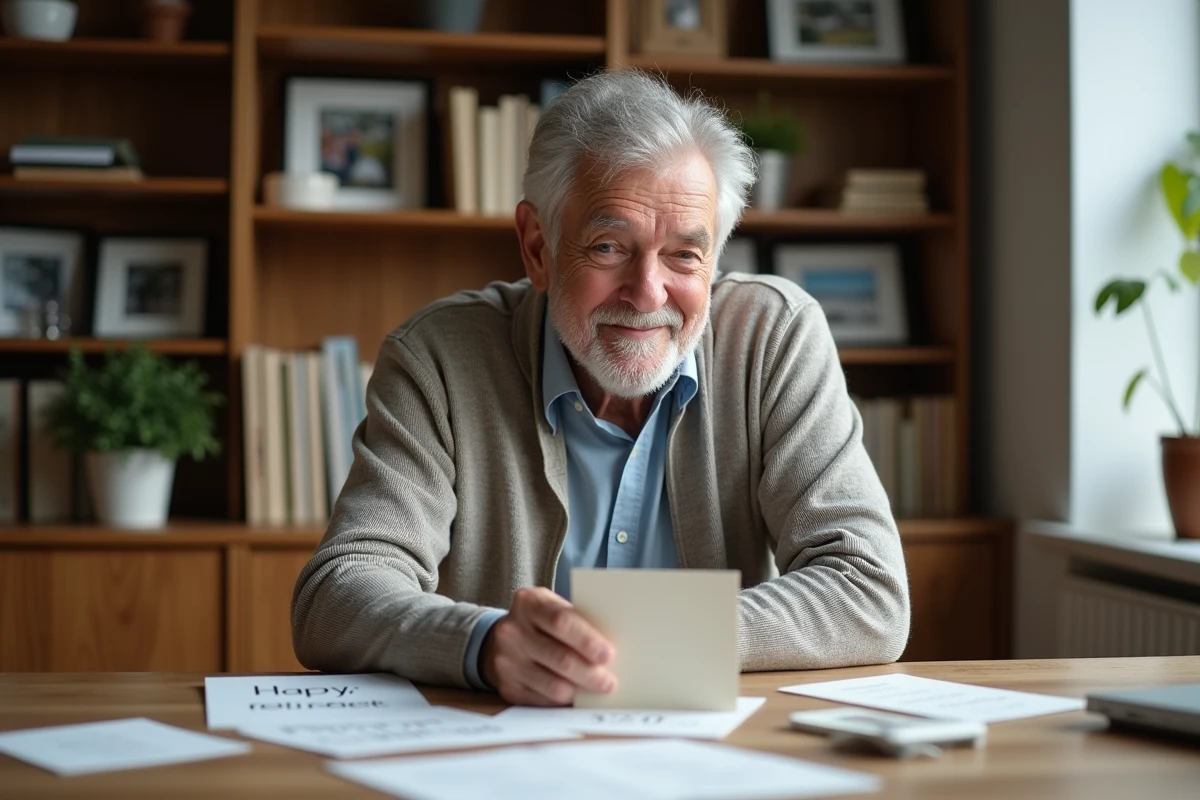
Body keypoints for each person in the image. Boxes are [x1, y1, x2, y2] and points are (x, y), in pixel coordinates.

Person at [291, 69, 910, 707]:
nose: (647, 293)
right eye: (610, 247)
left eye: (684, 255)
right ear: (538, 247)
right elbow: (335, 595)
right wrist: (484, 644)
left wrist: (642, 641)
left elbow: (869, 591)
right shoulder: (438, 358)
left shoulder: (774, 338)